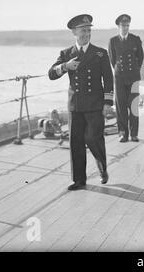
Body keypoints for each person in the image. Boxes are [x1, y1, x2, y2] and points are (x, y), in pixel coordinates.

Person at [48, 14, 114, 190]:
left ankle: (102, 168)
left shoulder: (100, 53)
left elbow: (108, 79)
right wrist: (65, 67)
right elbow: (51, 74)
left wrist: (108, 102)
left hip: (95, 104)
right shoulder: (66, 54)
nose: (86, 34)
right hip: (75, 104)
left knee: (93, 138)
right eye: (83, 31)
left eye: (88, 30)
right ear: (74, 33)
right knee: (76, 141)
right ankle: (79, 180)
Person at [108, 14, 144, 143]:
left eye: (127, 25)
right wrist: (119, 70)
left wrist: (134, 69)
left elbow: (140, 57)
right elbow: (113, 60)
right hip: (119, 78)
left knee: (133, 106)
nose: (125, 28)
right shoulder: (113, 41)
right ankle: (123, 134)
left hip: (133, 76)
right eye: (123, 25)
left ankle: (134, 134)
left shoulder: (135, 39)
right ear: (118, 26)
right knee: (120, 106)